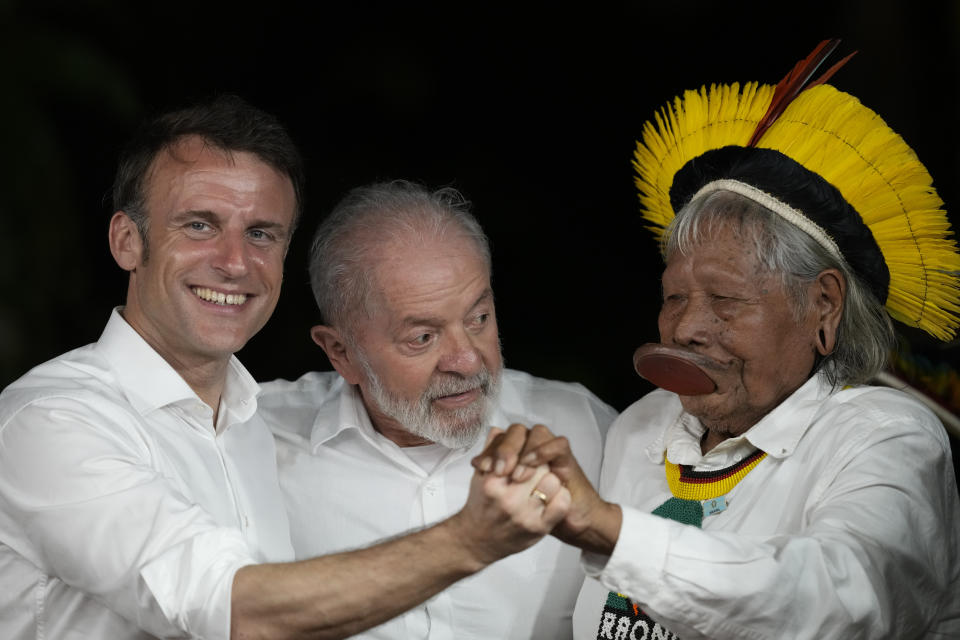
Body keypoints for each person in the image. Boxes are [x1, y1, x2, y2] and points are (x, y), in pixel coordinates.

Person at [0, 95, 571, 640]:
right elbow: (233, 612)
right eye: (199, 224)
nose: (233, 262)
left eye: (260, 234)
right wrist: (470, 540)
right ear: (127, 241)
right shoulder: (49, 421)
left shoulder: (254, 421)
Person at [475, 40, 960, 639]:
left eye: (726, 301)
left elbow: (842, 601)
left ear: (824, 305)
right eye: (674, 297)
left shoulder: (887, 435)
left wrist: (610, 530)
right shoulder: (641, 428)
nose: (684, 328)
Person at [257, 179, 616, 639]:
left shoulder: (585, 428)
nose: (467, 360)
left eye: (478, 319)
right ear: (340, 353)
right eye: (423, 338)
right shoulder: (255, 440)